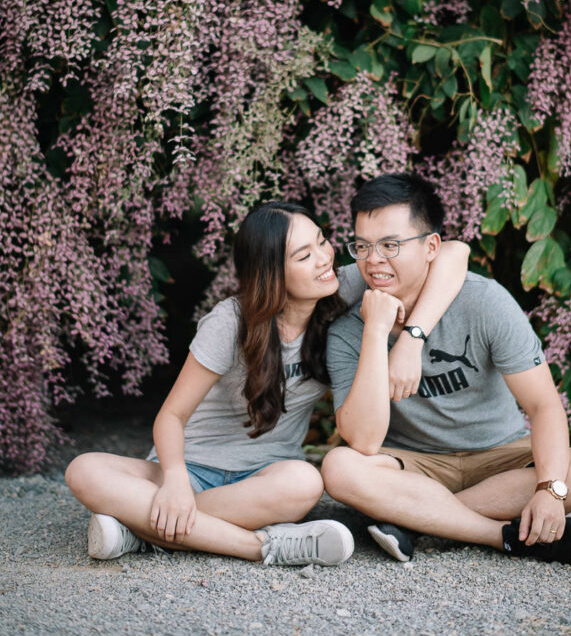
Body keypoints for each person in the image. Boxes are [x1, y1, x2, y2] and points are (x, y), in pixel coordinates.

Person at [65, 200, 470, 567]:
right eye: (303, 255)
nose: (324, 258)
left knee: (306, 482)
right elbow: (172, 415)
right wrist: (173, 483)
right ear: (272, 272)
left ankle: (143, 531)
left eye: (323, 241)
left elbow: (454, 251)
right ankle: (262, 547)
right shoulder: (229, 323)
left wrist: (412, 340)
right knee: (85, 470)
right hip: (191, 469)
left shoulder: (339, 290)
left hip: (266, 479)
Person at [321, 172, 571, 565]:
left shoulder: (484, 302)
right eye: (362, 246)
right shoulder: (348, 327)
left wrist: (549, 491)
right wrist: (375, 332)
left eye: (391, 245)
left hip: (500, 454)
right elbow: (362, 441)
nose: (373, 260)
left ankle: (415, 520)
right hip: (414, 463)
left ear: (431, 247)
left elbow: (543, 405)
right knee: (340, 468)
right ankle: (500, 535)